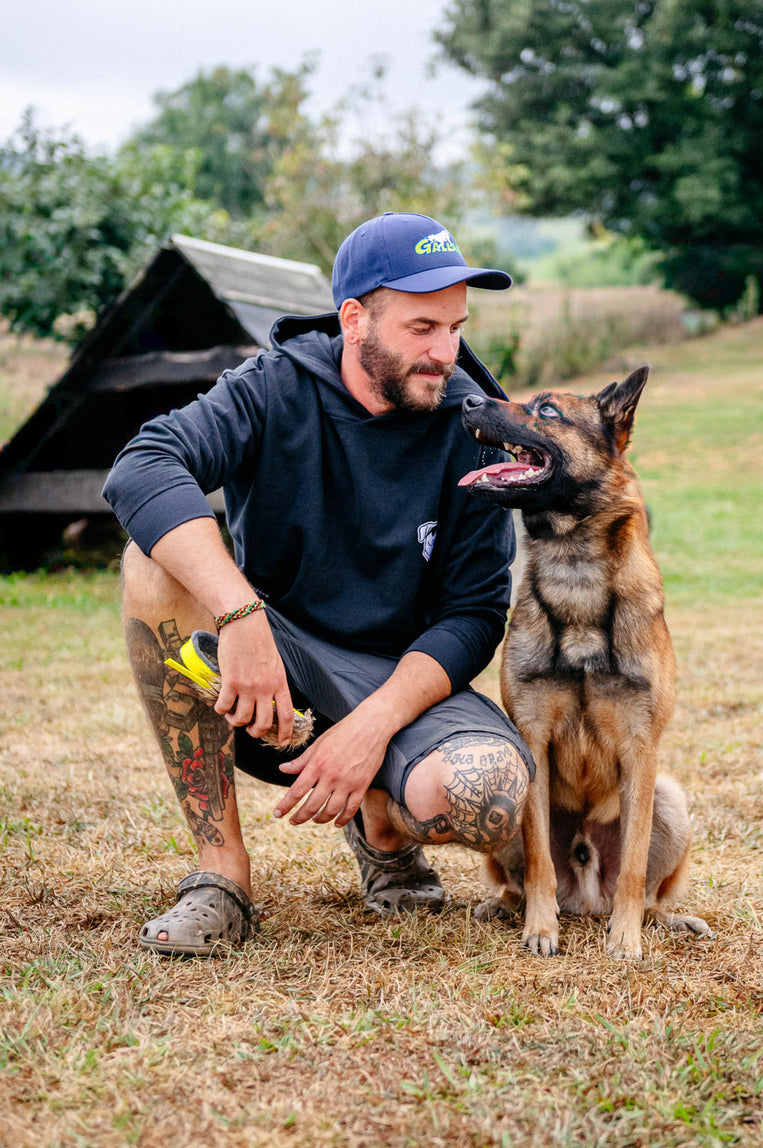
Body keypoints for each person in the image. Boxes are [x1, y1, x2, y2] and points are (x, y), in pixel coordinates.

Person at [104, 211, 533, 956]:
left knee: (489, 792)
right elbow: (143, 465)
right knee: (150, 559)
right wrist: (240, 615)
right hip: (272, 674)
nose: (445, 352)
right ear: (354, 319)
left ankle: (383, 829)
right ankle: (221, 877)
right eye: (422, 328)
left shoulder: (472, 423)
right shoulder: (273, 388)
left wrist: (372, 728)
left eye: (455, 327)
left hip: (401, 679)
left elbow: (473, 614)